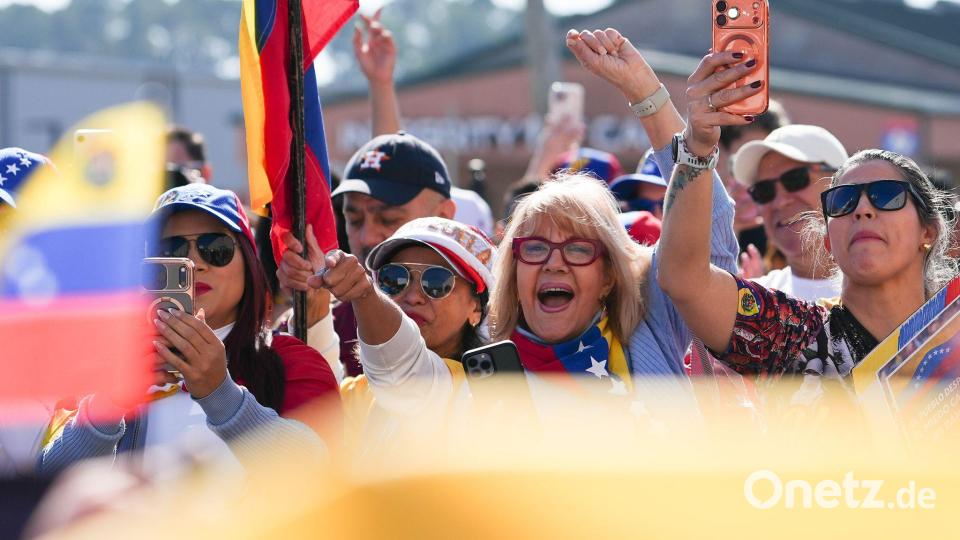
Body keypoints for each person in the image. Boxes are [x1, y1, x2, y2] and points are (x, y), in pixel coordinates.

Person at [657, 56, 952, 403]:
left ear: (928, 231)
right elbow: (683, 279)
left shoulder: (955, 327)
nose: (863, 209)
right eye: (843, 201)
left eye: (885, 195)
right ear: (828, 240)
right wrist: (698, 146)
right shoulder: (795, 337)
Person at [38, 184, 341, 476]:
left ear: (249, 262)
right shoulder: (112, 364)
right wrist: (108, 403)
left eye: (215, 248)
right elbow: (47, 489)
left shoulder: (291, 363)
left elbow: (322, 476)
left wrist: (220, 394)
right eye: (173, 249)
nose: (194, 263)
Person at [303, 218, 495, 446]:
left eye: (436, 281)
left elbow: (406, 374)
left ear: (477, 308)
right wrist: (314, 302)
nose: (413, 296)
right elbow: (314, 418)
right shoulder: (364, 393)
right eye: (394, 278)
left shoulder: (484, 393)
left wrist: (364, 295)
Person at [731, 124, 849, 302]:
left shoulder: (891, 291)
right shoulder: (751, 301)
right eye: (764, 190)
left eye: (795, 179)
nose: (780, 201)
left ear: (840, 183)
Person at [717, 99, 791, 259]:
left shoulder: (788, 222)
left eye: (762, 166)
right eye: (740, 163)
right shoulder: (699, 213)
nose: (748, 181)